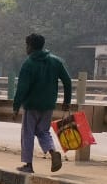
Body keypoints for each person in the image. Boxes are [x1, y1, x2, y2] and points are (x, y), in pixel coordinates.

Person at [12, 33, 72, 174]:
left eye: (27, 45)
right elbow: (68, 81)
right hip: (48, 105)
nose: (26, 48)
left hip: (31, 105)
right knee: (43, 131)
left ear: (31, 47)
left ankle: (28, 164)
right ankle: (53, 152)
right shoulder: (56, 61)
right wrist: (67, 101)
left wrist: (16, 107)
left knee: (28, 134)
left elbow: (22, 88)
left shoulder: (28, 64)